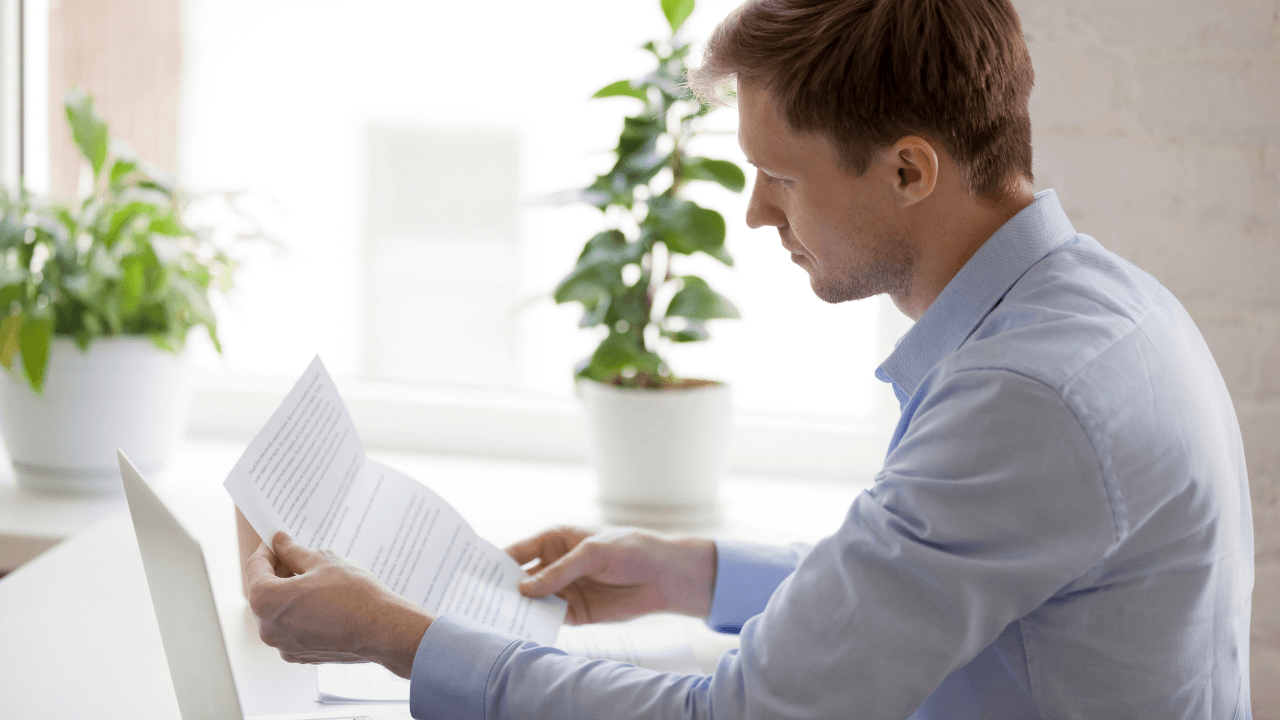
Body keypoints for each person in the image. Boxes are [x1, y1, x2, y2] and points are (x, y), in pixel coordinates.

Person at [244, 0, 1255, 717]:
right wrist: (693, 575)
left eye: (778, 173)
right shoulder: (1094, 308)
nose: (754, 210)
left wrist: (399, 639)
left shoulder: (1025, 398)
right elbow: (934, 577)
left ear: (908, 168)